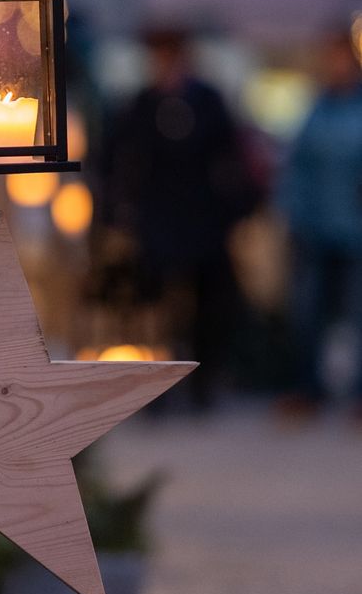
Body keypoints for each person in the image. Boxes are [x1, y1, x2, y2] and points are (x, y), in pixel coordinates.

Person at [98, 28, 258, 409]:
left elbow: (231, 157)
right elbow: (116, 157)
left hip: (202, 219)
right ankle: (159, 386)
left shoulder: (207, 102)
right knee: (154, 304)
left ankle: (202, 382)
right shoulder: (143, 104)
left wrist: (236, 207)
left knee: (208, 303)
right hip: (158, 219)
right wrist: (120, 210)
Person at [276, 29, 362, 417]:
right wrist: (292, 213)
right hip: (315, 228)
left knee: (357, 313)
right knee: (307, 313)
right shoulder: (316, 109)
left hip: (355, 230)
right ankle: (307, 388)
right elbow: (296, 168)